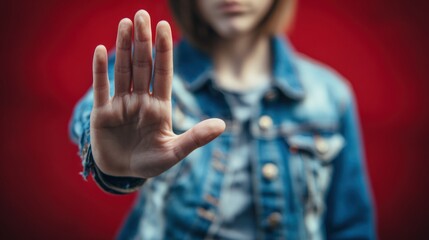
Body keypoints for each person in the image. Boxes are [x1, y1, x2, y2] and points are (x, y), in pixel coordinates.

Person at [70, 0, 376, 239]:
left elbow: (351, 226)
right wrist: (109, 165)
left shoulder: (330, 96)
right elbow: (93, 116)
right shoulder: (144, 76)